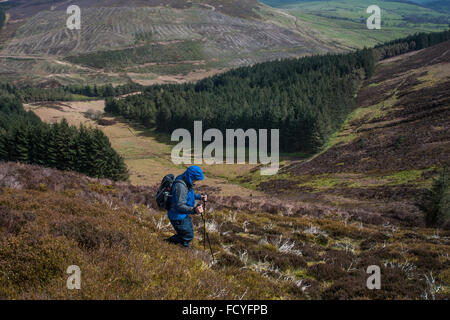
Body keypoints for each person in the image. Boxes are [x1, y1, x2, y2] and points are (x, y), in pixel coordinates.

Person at [166, 165, 207, 248]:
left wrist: (199, 197)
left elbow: (188, 195)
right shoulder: (181, 186)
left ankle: (178, 245)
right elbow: (180, 205)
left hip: (184, 214)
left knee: (187, 233)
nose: (196, 181)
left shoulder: (185, 179)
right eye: (196, 179)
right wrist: (194, 210)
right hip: (177, 216)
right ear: (191, 176)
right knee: (187, 235)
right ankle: (174, 246)